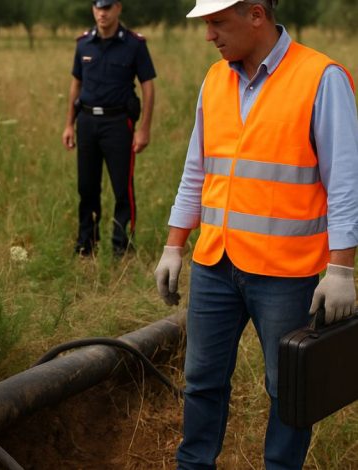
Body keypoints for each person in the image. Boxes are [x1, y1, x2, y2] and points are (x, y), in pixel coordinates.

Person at [153, 0, 357, 468]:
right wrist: (174, 243)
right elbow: (196, 170)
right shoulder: (214, 79)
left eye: (218, 23)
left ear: (257, 15)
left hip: (285, 273)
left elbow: (345, 181)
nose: (210, 35)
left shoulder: (321, 79)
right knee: (201, 379)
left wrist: (342, 269)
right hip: (214, 264)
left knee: (288, 390)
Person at [61, 0, 156, 258]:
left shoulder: (134, 44)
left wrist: (143, 128)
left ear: (118, 8)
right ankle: (86, 244)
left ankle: (121, 247)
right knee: (86, 187)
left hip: (119, 124)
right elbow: (76, 84)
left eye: (107, 7)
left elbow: (147, 86)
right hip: (87, 122)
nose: (102, 13)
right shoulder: (83, 44)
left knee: (122, 187)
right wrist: (69, 123)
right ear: (93, 9)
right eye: (97, 7)